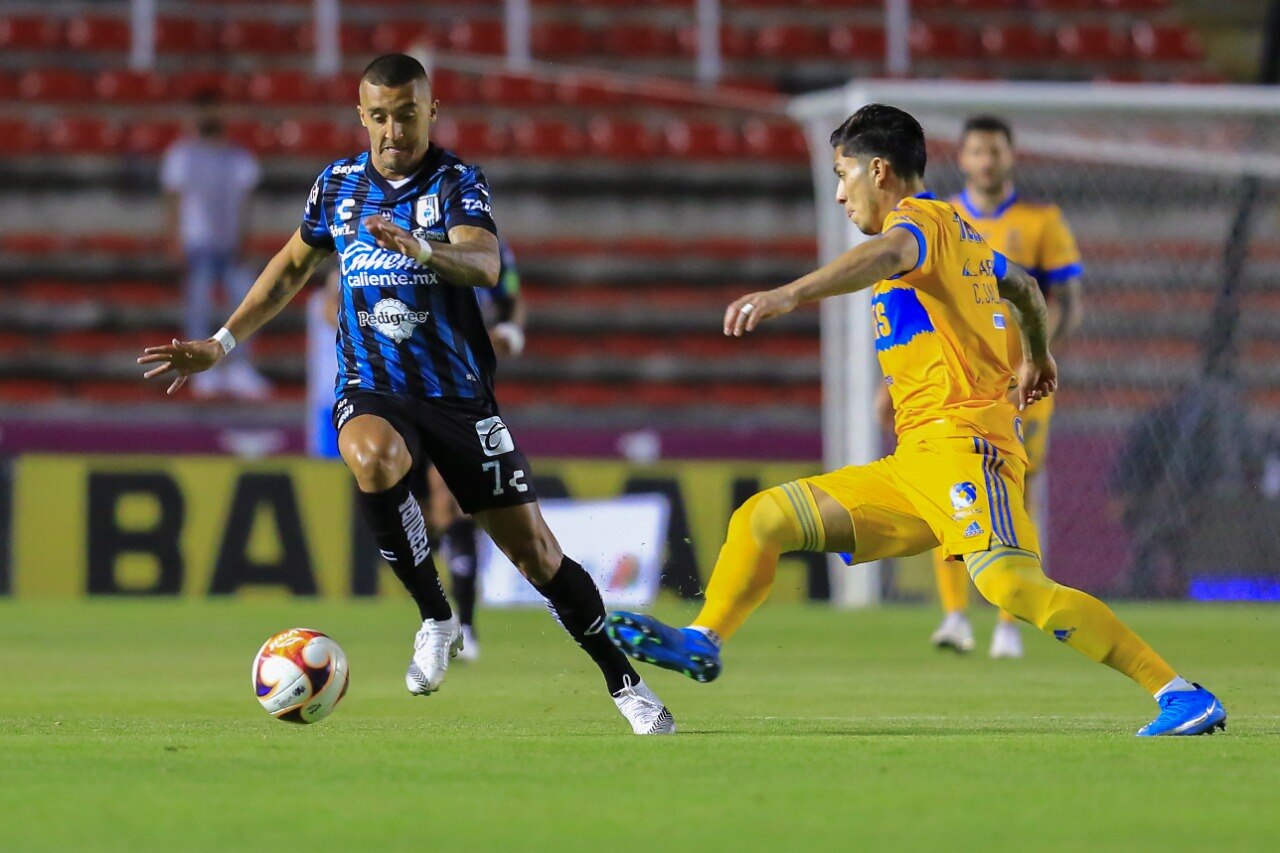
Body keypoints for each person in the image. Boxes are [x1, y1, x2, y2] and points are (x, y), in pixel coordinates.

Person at [606, 104, 1225, 737]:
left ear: (880, 170)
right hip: (912, 466)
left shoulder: (918, 225)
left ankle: (1178, 692)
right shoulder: (968, 237)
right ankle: (703, 639)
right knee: (762, 517)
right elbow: (1028, 292)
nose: (840, 192)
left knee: (1013, 587)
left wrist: (786, 294)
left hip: (967, 448)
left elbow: (891, 255)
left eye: (844, 175)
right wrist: (1037, 356)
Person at [139, 54, 673, 735]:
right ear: (362, 116)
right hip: (373, 385)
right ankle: (436, 615)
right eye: (381, 116)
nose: (395, 129)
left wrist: (421, 249)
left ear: (432, 112)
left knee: (538, 554)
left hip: (458, 395)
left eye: (408, 114)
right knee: (370, 455)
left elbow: (483, 262)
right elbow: (289, 269)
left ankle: (624, 680)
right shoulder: (335, 186)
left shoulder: (456, 182)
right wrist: (221, 342)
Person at [307, 245, 527, 661]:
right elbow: (327, 303)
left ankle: (466, 624)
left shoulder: (482, 245)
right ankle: (437, 614)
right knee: (420, 514)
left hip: (450, 391)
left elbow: (510, 298)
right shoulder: (366, 240)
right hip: (388, 396)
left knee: (452, 504)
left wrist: (511, 332)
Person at [923, 115, 1086, 658]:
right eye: (976, 152)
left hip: (1023, 387)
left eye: (994, 151)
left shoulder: (1042, 220)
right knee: (947, 486)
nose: (986, 161)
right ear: (963, 158)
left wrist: (1036, 356)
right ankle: (953, 618)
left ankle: (1009, 623)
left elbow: (1068, 302)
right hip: (957, 382)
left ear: (1010, 156)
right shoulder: (940, 220)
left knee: (1015, 491)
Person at [160, 90, 271, 400]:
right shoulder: (181, 154)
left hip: (231, 245)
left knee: (246, 305)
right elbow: (173, 201)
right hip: (197, 244)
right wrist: (174, 240)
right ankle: (200, 369)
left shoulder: (238, 157)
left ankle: (240, 366)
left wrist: (246, 238)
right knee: (199, 308)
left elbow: (246, 203)